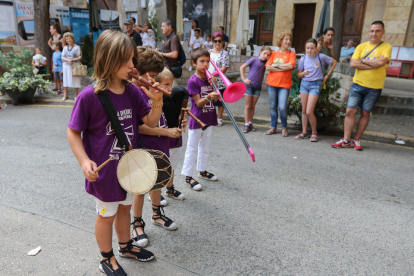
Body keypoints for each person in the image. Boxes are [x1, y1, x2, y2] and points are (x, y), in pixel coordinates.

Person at [67, 29, 162, 275]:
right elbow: (73, 131)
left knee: (124, 208)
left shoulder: (132, 91)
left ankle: (125, 246)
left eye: (133, 59)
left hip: (128, 167)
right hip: (104, 171)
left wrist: (157, 100)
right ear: (108, 59)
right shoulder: (90, 96)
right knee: (106, 215)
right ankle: (106, 258)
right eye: (127, 60)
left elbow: (150, 123)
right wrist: (84, 160)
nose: (133, 66)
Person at [130, 47, 179, 247]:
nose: (152, 81)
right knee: (140, 188)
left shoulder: (149, 88)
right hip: (145, 144)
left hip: (160, 144)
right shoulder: (135, 92)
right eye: (150, 76)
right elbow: (141, 127)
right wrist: (165, 132)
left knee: (159, 180)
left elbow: (159, 116)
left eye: (154, 77)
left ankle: (157, 214)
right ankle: (137, 223)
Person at [332, 21, 392, 151]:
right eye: (372, 31)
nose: (374, 34)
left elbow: (382, 62)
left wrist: (363, 60)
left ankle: (357, 140)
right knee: (349, 111)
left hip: (375, 87)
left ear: (383, 32)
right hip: (358, 85)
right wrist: (373, 64)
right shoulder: (361, 47)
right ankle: (346, 140)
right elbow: (353, 64)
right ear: (369, 32)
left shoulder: (386, 47)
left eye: (377, 31)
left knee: (365, 114)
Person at [181, 48, 220, 191]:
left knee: (205, 147)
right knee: (192, 148)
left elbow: (218, 97)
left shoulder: (210, 78)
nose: (205, 64)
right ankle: (188, 176)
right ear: (194, 63)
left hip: (209, 117)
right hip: (197, 119)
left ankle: (202, 170)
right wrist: (209, 96)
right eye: (201, 61)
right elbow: (198, 103)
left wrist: (215, 86)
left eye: (208, 61)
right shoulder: (193, 80)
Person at [295, 38, 337, 142]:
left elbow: (334, 62)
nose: (309, 50)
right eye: (307, 48)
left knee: (309, 111)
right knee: (304, 110)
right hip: (304, 84)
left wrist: (327, 76)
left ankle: (314, 132)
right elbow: (299, 74)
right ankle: (304, 132)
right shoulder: (303, 59)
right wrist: (303, 73)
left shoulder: (321, 57)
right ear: (305, 48)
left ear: (316, 48)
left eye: (312, 48)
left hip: (315, 85)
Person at [264, 33, 296, 136]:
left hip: (284, 85)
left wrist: (276, 66)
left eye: (289, 40)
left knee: (282, 107)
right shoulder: (274, 53)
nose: (288, 42)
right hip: (272, 83)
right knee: (273, 106)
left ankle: (284, 127)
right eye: (286, 39)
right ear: (281, 41)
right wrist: (283, 66)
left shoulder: (291, 54)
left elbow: (291, 66)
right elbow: (268, 67)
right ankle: (273, 127)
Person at [240, 46, 272, 133]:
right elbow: (242, 67)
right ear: (260, 52)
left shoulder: (266, 62)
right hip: (249, 86)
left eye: (268, 54)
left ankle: (250, 123)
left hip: (258, 87)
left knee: (253, 106)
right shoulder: (254, 60)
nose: (266, 56)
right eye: (264, 53)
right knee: (248, 106)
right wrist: (244, 79)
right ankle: (246, 124)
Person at [208, 32, 229, 126]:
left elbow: (224, 68)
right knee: (209, 98)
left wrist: (213, 74)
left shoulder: (225, 53)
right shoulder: (208, 52)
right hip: (208, 79)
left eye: (219, 41)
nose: (217, 43)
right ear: (212, 42)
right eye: (215, 41)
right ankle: (210, 116)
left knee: (220, 100)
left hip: (219, 80)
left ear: (222, 42)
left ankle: (219, 117)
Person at [61, 32, 82, 101]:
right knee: (65, 80)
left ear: (72, 39)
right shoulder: (65, 48)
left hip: (75, 66)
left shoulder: (77, 47)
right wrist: (67, 60)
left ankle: (76, 95)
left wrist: (73, 60)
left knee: (76, 79)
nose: (68, 40)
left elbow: (80, 56)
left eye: (69, 39)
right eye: (67, 39)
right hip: (66, 66)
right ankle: (65, 94)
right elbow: (62, 57)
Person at [161, 19, 181, 86]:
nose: (161, 28)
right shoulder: (168, 37)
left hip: (171, 69)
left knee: (172, 89)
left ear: (169, 27)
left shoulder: (174, 37)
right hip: (167, 68)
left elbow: (174, 54)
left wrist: (161, 54)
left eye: (163, 26)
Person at [48, 23, 66, 92]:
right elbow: (49, 42)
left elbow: (64, 48)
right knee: (55, 72)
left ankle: (63, 88)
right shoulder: (52, 36)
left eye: (51, 29)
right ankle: (57, 87)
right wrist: (52, 47)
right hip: (54, 55)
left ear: (55, 29)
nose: (50, 30)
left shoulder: (61, 37)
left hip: (60, 56)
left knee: (60, 74)